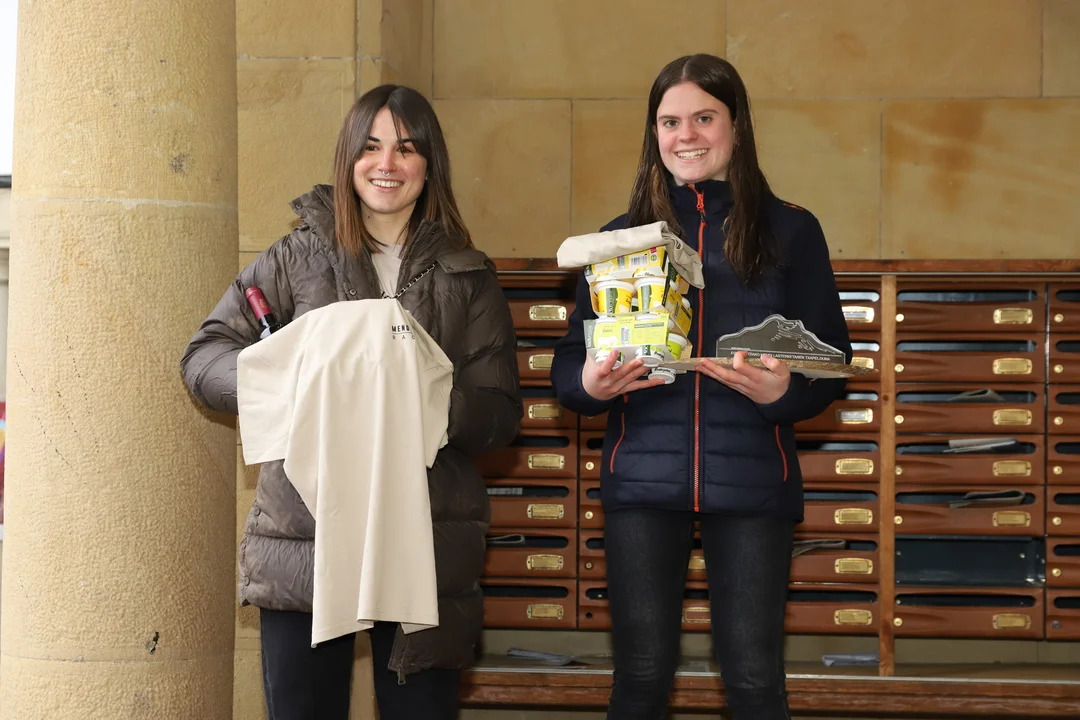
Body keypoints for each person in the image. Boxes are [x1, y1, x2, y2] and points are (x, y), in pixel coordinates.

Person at [181, 84, 522, 720]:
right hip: (304, 536)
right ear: (348, 157)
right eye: (370, 146)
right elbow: (204, 358)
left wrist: (422, 401)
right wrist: (295, 384)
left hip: (426, 537)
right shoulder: (295, 257)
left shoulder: (469, 275)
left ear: (430, 164)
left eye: (406, 148)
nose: (387, 163)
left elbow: (500, 411)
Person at [551, 54, 852, 720]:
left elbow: (831, 361)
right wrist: (592, 384)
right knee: (640, 677)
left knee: (754, 680)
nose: (686, 135)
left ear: (736, 126)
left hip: (753, 483)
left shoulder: (792, 229)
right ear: (654, 133)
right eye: (670, 122)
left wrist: (783, 395)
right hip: (641, 481)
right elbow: (567, 370)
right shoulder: (619, 240)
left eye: (704, 118)